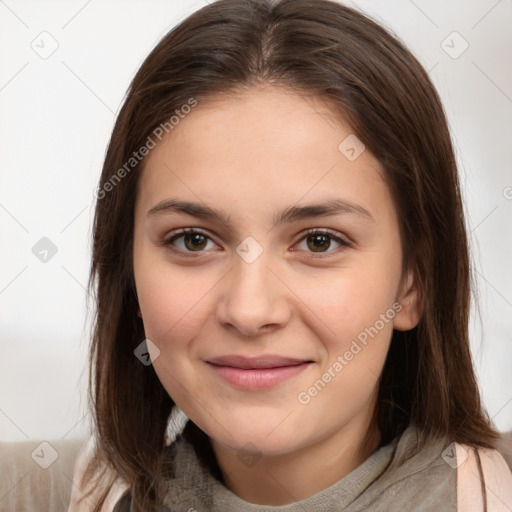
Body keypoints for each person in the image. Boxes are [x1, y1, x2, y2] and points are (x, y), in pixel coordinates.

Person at [68, 0, 512, 510]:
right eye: (193, 240)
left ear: (413, 280)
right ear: (130, 273)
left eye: (319, 241)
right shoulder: (48, 492)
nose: (250, 310)